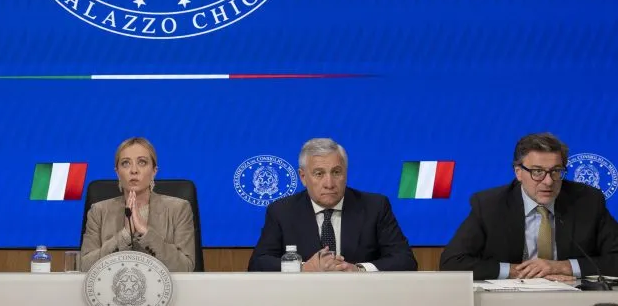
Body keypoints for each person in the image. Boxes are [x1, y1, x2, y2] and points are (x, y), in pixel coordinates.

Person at [440, 132, 618, 280]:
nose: (548, 181)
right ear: (518, 172)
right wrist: (519, 271)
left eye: (556, 171)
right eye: (537, 171)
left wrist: (563, 267)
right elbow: (452, 262)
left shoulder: (587, 201)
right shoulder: (490, 205)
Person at [248, 138, 417, 271]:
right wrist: (303, 268)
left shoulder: (375, 207)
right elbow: (258, 264)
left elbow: (405, 260)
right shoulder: (282, 211)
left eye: (336, 172)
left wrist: (359, 270)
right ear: (303, 177)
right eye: (319, 174)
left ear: (346, 173)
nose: (329, 184)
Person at [80, 137, 196, 272]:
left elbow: (185, 268)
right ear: (117, 172)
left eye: (142, 162)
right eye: (126, 163)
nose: (134, 170)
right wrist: (124, 235)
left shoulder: (179, 209)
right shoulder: (98, 212)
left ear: (154, 171)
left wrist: (145, 232)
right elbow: (85, 267)